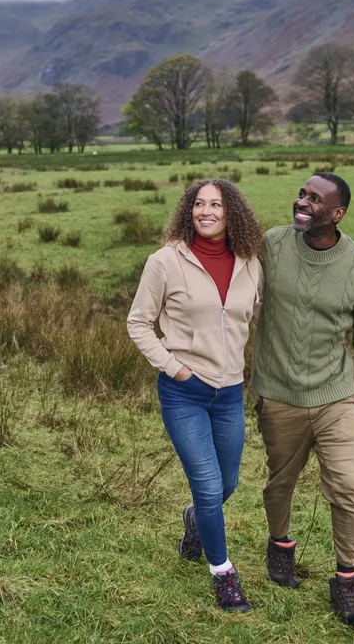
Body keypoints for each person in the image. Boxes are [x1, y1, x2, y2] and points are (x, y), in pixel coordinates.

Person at [251, 173, 354, 628]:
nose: (302, 201)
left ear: (337, 213)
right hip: (279, 392)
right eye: (302, 193)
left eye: (314, 198)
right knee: (279, 482)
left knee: (347, 486)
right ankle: (280, 545)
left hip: (336, 395)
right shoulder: (271, 244)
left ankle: (347, 580)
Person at [127, 179, 264, 612]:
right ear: (189, 210)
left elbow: (253, 318)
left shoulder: (250, 262)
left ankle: (194, 522)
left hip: (229, 394)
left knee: (227, 483)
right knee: (207, 487)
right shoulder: (165, 261)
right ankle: (223, 573)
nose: (206, 211)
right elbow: (138, 324)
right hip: (184, 392)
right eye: (199, 204)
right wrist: (176, 368)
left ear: (232, 213)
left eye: (216, 204)